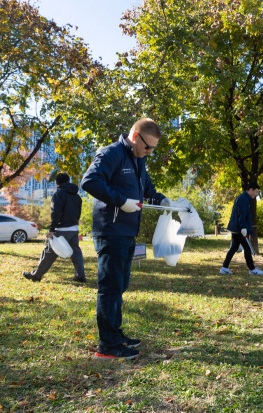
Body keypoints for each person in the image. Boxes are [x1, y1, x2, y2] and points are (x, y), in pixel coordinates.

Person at [81, 118, 171, 360]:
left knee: (120, 287)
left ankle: (115, 335)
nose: (149, 153)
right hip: (110, 231)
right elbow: (89, 181)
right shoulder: (111, 154)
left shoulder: (138, 159)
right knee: (110, 289)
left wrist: (162, 200)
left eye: (153, 148)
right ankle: (108, 346)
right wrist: (120, 200)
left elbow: (147, 188)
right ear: (135, 137)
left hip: (128, 232)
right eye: (147, 147)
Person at [23, 173, 85, 282]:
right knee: (76, 253)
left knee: (49, 253)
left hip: (61, 230)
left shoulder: (58, 195)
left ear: (57, 183)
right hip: (74, 229)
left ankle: (36, 275)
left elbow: (56, 213)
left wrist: (51, 230)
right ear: (68, 181)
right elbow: (78, 213)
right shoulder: (77, 196)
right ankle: (80, 276)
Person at [219, 183, 263, 276]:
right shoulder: (243, 199)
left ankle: (224, 267)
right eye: (256, 192)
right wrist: (243, 227)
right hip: (240, 228)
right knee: (247, 248)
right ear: (250, 190)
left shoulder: (244, 198)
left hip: (237, 228)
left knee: (234, 247)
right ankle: (252, 269)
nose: (256, 194)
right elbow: (241, 214)